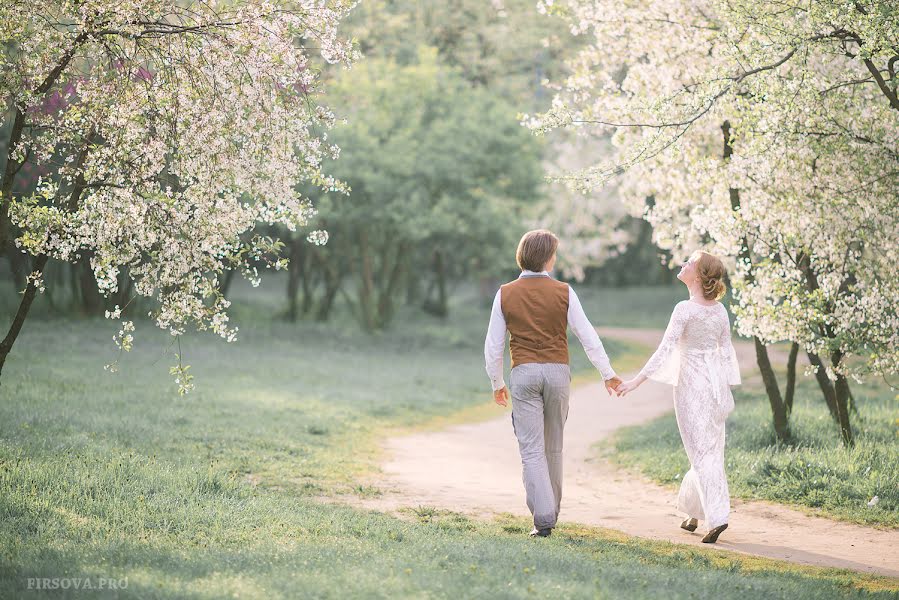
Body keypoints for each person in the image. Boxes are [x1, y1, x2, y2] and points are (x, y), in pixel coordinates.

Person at [484, 229, 622, 538]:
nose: (555, 259)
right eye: (554, 254)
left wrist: (496, 382)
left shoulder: (505, 293)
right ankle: (549, 514)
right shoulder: (564, 291)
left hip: (524, 374)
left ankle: (543, 517)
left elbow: (493, 346)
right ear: (546, 258)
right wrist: (607, 372)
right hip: (558, 373)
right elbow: (588, 336)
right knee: (553, 447)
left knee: (531, 448)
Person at [616, 250, 740, 543]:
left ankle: (718, 516)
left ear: (698, 275)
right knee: (707, 448)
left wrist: (636, 381)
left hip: (690, 386)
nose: (683, 264)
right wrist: (724, 389)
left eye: (689, 262)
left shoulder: (684, 308)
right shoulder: (720, 311)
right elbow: (726, 353)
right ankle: (692, 514)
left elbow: (665, 349)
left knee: (701, 452)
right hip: (714, 385)